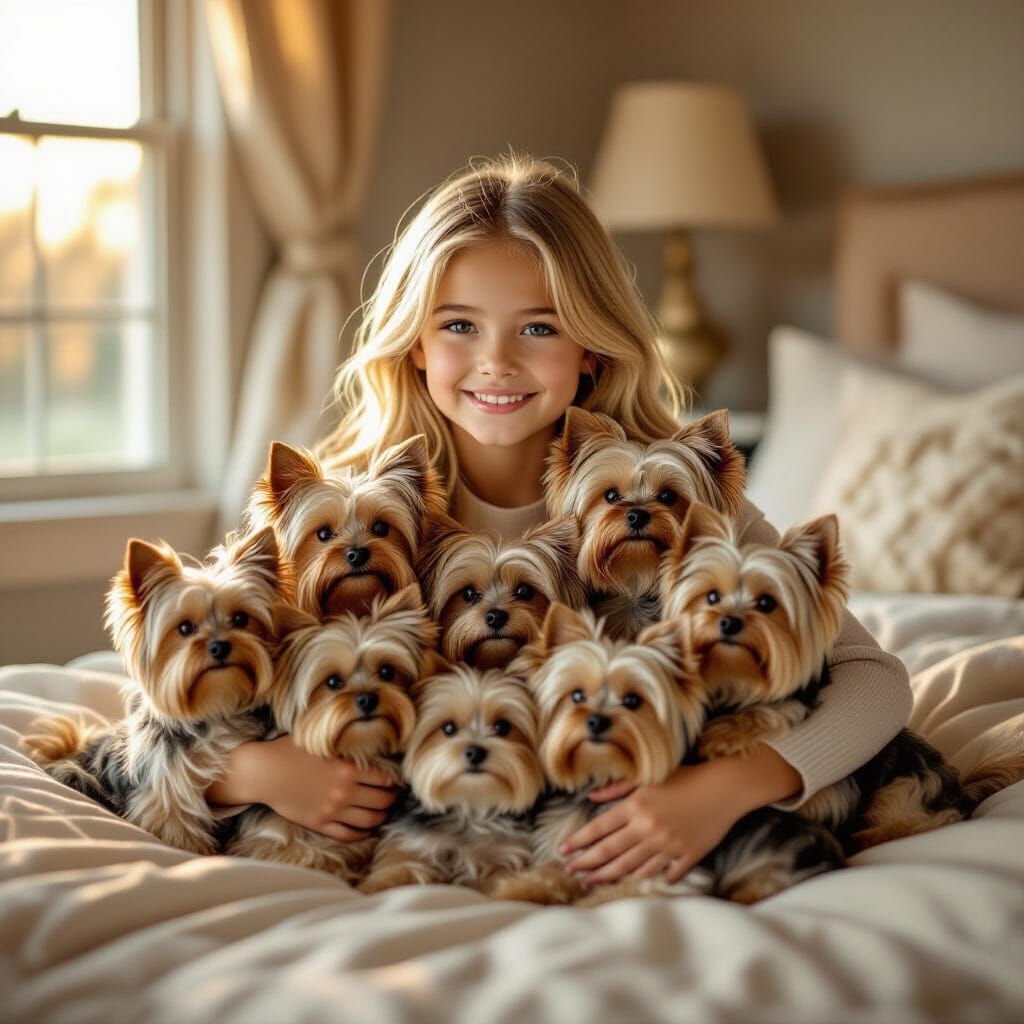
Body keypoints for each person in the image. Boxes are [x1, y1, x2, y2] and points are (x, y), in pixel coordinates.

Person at [208, 152, 912, 886]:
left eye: (539, 328)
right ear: (415, 344)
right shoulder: (347, 519)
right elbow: (170, 679)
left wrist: (723, 790)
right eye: (459, 325)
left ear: (592, 350)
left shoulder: (673, 500)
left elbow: (874, 678)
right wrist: (252, 772)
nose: (496, 361)